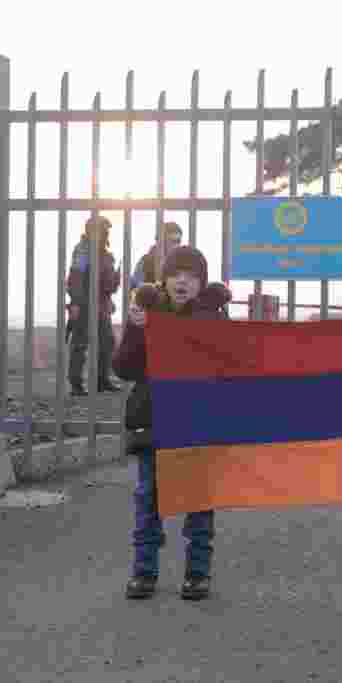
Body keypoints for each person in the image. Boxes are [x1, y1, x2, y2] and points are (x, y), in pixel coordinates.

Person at [113, 245, 232, 601]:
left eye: (193, 275)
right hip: (154, 422)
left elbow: (227, 363)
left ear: (202, 283)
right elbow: (125, 368)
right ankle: (143, 571)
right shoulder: (146, 314)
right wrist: (136, 331)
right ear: (163, 279)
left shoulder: (214, 317)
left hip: (198, 423)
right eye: (176, 273)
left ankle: (198, 573)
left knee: (198, 502)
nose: (183, 280)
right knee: (148, 500)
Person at [65, 215, 121, 396]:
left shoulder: (105, 254)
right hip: (84, 303)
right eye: (101, 230)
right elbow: (76, 277)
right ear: (90, 231)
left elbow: (105, 284)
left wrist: (112, 289)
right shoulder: (83, 251)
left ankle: (101, 381)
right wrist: (75, 302)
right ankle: (76, 385)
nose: (104, 234)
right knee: (80, 344)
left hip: (101, 305)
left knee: (107, 342)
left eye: (105, 231)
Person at [129, 221, 183, 292]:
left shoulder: (181, 262)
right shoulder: (146, 261)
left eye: (178, 241)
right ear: (160, 241)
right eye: (172, 241)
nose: (176, 245)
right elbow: (135, 287)